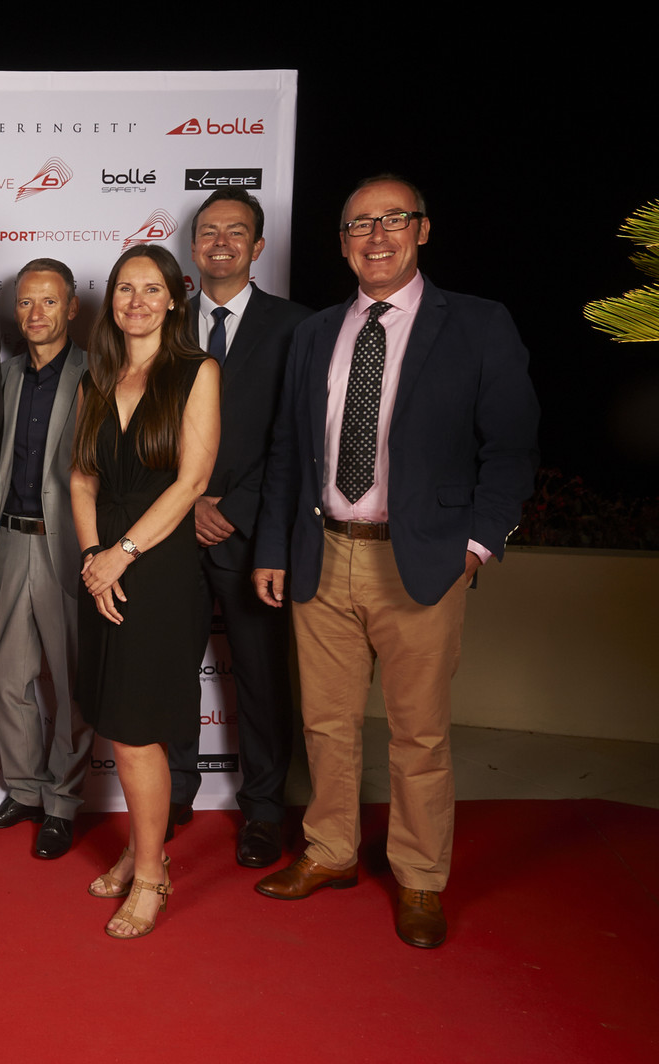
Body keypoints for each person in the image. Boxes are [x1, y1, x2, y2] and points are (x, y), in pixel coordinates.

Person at [252, 176, 539, 948]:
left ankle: (419, 877)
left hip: (421, 559)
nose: (376, 237)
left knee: (419, 733)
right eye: (359, 225)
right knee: (326, 722)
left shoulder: (476, 325)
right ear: (342, 243)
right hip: (322, 553)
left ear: (422, 229)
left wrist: (476, 545)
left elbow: (511, 448)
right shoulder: (315, 334)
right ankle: (331, 851)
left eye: (392, 220)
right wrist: (274, 546)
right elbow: (288, 452)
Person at [71, 244, 220, 939]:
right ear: (112, 302)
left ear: (173, 299)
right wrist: (92, 558)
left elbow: (192, 482)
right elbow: (81, 479)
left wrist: (122, 555)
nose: (137, 301)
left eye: (151, 288)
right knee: (118, 721)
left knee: (136, 731)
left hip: (157, 568)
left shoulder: (196, 372)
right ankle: (139, 849)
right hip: (101, 563)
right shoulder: (96, 378)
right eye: (125, 289)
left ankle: (152, 876)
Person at [167, 189, 313, 866]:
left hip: (253, 533)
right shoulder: (165, 322)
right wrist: (188, 502)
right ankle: (172, 794)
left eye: (236, 232)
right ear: (193, 247)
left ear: (257, 247)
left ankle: (263, 810)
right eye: (208, 231)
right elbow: (143, 425)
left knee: (260, 679)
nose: (220, 241)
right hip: (171, 528)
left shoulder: (295, 327)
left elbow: (296, 437)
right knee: (169, 670)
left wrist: (232, 507)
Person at [0, 258, 92, 860]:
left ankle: (62, 804)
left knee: (70, 683)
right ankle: (23, 790)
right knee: (4, 675)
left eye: (49, 301)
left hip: (69, 544)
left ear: (72, 307)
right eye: (25, 302)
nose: (35, 313)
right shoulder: (5, 376)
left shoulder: (97, 375)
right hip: (11, 539)